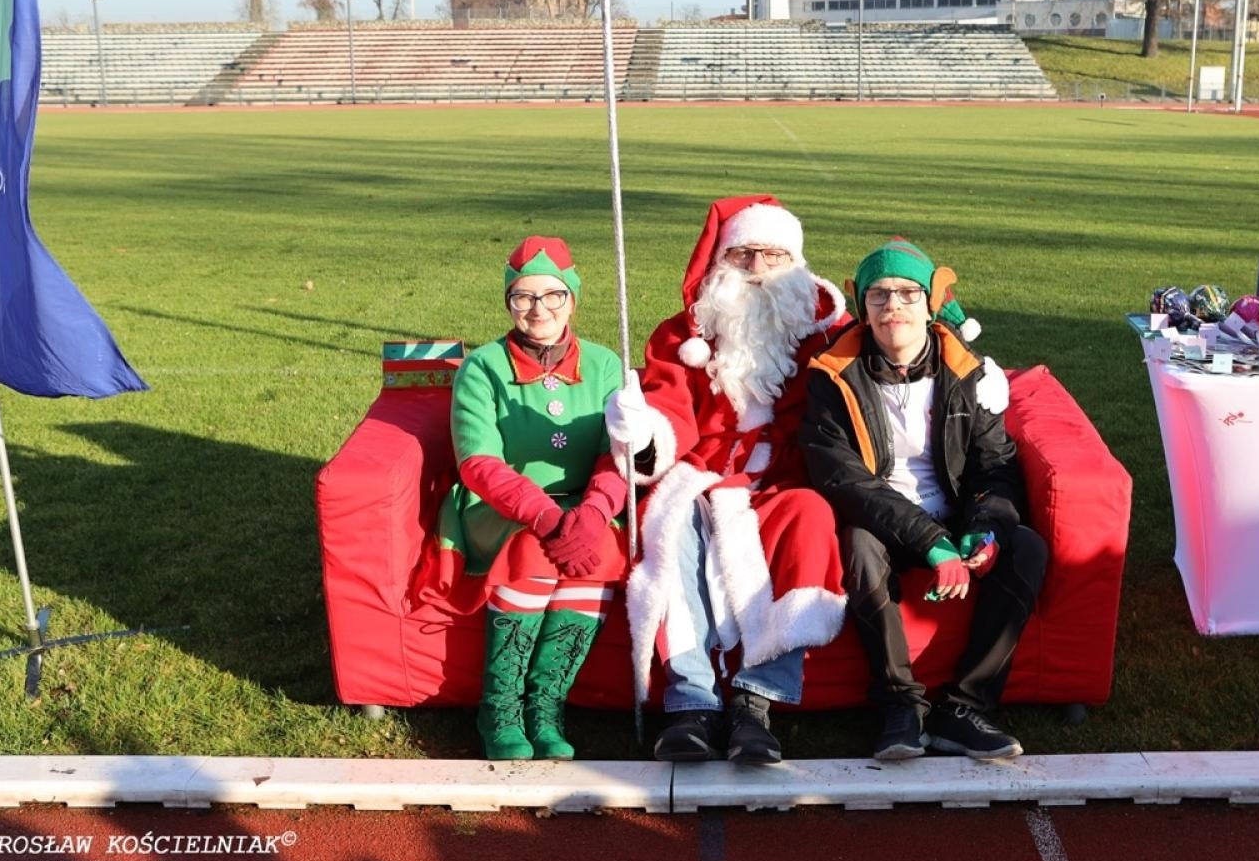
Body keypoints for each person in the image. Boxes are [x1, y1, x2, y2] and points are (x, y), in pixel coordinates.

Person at [604, 195, 850, 764]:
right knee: (670, 526)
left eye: (773, 256)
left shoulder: (829, 335)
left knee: (809, 517)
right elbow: (669, 409)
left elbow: (905, 328)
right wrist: (643, 434)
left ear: (797, 264)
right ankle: (690, 704)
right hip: (700, 472)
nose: (759, 271)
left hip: (786, 477)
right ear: (720, 264)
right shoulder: (683, 336)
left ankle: (756, 704)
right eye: (743, 256)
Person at [801, 239, 1047, 761]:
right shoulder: (832, 375)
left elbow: (995, 468)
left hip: (955, 514)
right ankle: (899, 705)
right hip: (883, 518)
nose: (894, 307)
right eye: (880, 296)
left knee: (1025, 548)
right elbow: (841, 477)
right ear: (862, 306)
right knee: (860, 546)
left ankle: (965, 707)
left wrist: (985, 530)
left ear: (931, 302)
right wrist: (932, 543)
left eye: (909, 294)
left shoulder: (969, 372)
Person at [437, 236, 629, 761]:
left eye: (552, 296)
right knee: (532, 549)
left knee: (601, 553)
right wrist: (545, 515)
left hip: (582, 506)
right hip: (499, 509)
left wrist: (593, 513)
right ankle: (498, 708)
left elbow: (619, 453)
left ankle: (545, 708)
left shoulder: (606, 363)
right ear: (508, 302)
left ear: (572, 299)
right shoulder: (483, 368)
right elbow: (478, 462)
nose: (538, 309)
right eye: (523, 297)